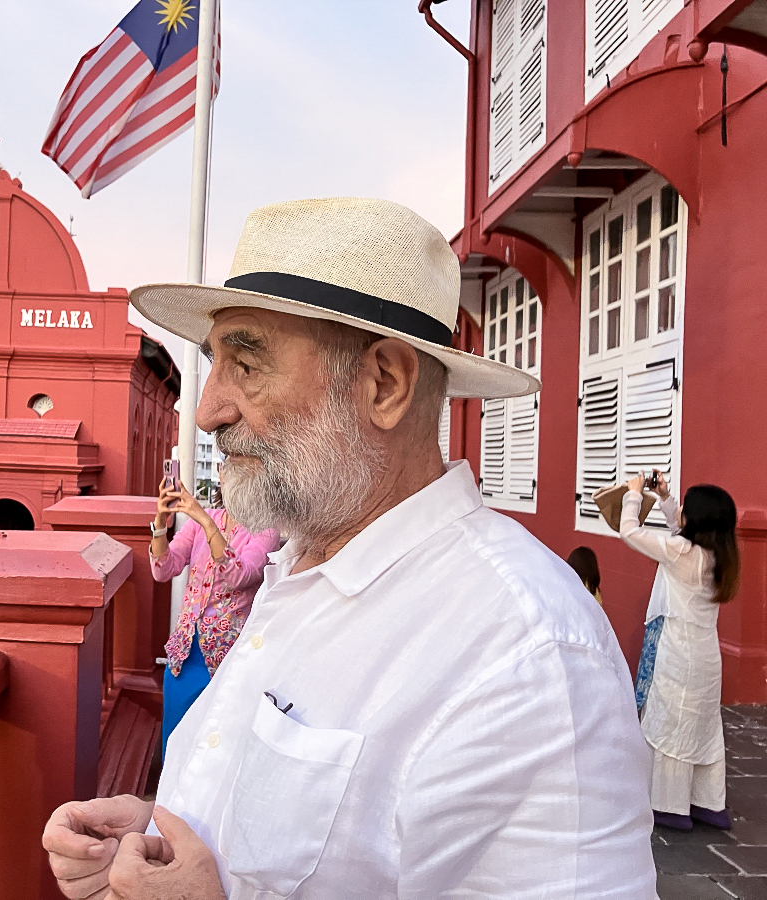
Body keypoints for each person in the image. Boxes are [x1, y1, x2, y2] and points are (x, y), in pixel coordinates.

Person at [43, 197, 655, 898]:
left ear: (384, 384)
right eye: (214, 363)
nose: (207, 410)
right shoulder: (302, 562)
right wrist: (164, 830)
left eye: (245, 363)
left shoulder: (524, 653)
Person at [621, 470, 740, 832]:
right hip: (706, 656)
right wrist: (667, 499)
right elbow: (680, 531)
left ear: (697, 519)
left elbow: (629, 532)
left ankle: (669, 805)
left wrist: (633, 495)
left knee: (670, 722)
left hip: (677, 653)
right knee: (702, 726)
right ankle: (706, 803)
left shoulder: (681, 552)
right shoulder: (720, 556)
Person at [150, 476, 278, 757]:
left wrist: (206, 523)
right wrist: (160, 522)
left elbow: (241, 575)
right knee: (176, 744)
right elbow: (163, 569)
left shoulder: (266, 531)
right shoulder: (202, 520)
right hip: (184, 656)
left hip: (227, 660)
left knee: (214, 748)